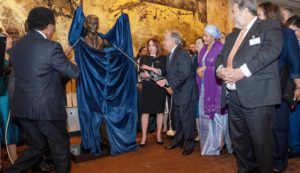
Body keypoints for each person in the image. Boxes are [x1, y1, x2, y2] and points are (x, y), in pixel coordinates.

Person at [5, 7, 79, 173]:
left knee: (36, 147)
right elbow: (73, 72)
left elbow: (37, 71)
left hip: (23, 110)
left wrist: (61, 59)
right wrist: (70, 62)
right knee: (60, 152)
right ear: (49, 26)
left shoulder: (16, 47)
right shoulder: (52, 47)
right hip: (48, 111)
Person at [216, 0, 283, 172]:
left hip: (258, 97)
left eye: (234, 11)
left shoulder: (268, 26)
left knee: (262, 145)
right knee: (240, 143)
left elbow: (270, 52)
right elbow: (220, 57)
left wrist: (242, 72)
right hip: (234, 98)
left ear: (246, 9)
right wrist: (220, 70)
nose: (232, 15)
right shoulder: (232, 36)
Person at [257, 2, 300, 172]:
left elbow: (295, 61)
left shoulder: (287, 33)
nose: (256, 18)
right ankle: (265, 159)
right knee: (263, 128)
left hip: (280, 88)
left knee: (279, 127)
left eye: (259, 14)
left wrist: (298, 85)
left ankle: (279, 162)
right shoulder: (256, 34)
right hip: (260, 89)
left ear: (270, 15)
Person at [157, 30, 198, 156]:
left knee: (187, 121)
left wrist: (170, 85)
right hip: (178, 92)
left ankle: (189, 144)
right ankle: (178, 141)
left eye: (165, 39)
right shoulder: (171, 54)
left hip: (186, 92)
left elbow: (184, 73)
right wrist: (166, 81)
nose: (163, 42)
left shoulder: (182, 53)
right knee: (178, 119)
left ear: (173, 40)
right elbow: (173, 74)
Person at [197, 25, 232, 155]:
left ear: (213, 37)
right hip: (204, 87)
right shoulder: (203, 50)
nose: (204, 37)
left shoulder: (220, 48)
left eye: (206, 35)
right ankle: (208, 145)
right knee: (205, 116)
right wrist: (199, 71)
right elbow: (200, 66)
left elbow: (221, 68)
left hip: (216, 87)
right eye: (204, 35)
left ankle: (219, 143)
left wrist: (205, 70)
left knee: (218, 116)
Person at [0, 26, 21, 170]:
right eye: (6, 38)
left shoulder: (14, 54)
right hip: (1, 94)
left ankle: (15, 161)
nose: (10, 40)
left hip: (8, 95)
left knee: (9, 128)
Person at [139, 38, 166, 146]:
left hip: (159, 89)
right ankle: (144, 136)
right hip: (147, 89)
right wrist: (143, 74)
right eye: (149, 45)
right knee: (145, 113)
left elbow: (163, 71)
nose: (150, 48)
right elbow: (140, 73)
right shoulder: (143, 58)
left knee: (160, 113)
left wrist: (149, 68)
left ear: (157, 47)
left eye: (153, 45)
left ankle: (159, 135)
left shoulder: (163, 58)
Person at [286, 15, 300, 159]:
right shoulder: (290, 44)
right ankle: (292, 146)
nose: (291, 35)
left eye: (294, 31)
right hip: (289, 88)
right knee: (291, 118)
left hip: (298, 86)